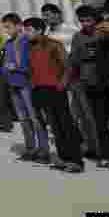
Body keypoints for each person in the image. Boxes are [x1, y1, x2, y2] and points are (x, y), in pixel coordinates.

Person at [23, 17, 84, 173]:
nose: (26, 33)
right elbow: (31, 69)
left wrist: (61, 85)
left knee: (65, 125)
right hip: (39, 89)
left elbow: (67, 67)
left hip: (56, 89)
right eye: (25, 29)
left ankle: (76, 161)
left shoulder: (54, 45)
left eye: (29, 30)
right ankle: (63, 159)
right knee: (54, 126)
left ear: (39, 30)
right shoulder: (29, 47)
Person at [42, 3, 94, 158]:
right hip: (57, 81)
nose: (46, 18)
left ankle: (92, 146)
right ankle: (79, 144)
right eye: (44, 15)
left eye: (48, 14)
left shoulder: (72, 30)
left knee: (84, 113)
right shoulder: (46, 34)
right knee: (69, 115)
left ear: (58, 14)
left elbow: (79, 52)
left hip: (75, 78)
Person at [0, 13, 50, 164]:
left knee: (35, 118)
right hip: (13, 84)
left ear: (18, 26)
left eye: (8, 27)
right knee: (23, 119)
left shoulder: (26, 41)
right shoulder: (8, 43)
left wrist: (17, 67)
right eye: (5, 28)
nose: (6, 31)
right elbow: (4, 63)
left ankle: (44, 151)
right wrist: (5, 69)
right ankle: (30, 149)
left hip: (27, 85)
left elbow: (32, 63)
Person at [67, 6, 109, 169]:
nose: (85, 24)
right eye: (82, 20)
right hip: (91, 84)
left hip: (107, 81)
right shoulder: (78, 37)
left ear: (95, 19)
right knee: (99, 122)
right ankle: (106, 154)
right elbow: (73, 60)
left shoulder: (105, 33)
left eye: (89, 20)